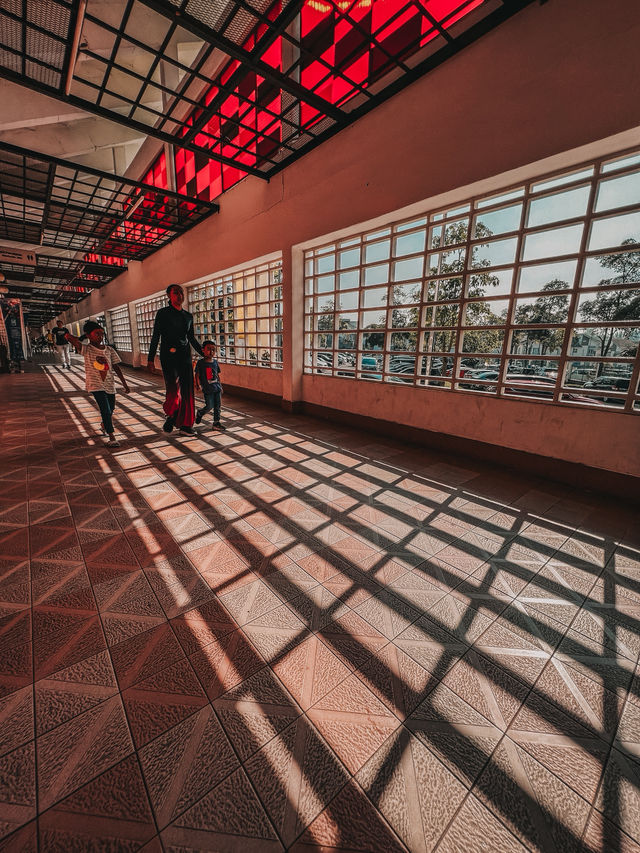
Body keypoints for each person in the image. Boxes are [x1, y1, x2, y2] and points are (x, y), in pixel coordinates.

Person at [147, 283, 203, 437]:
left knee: (187, 391)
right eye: (176, 293)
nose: (180, 295)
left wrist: (203, 352)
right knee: (172, 390)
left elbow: (191, 338)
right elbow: (155, 336)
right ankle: (171, 414)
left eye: (181, 292)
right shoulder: (163, 313)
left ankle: (186, 425)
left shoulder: (188, 316)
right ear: (169, 296)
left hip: (185, 356)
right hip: (168, 356)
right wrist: (150, 358)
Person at [65, 321, 130, 448]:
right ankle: (111, 436)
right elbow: (68, 337)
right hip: (95, 385)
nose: (100, 337)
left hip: (109, 384)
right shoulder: (86, 349)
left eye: (102, 334)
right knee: (105, 410)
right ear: (88, 335)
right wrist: (84, 337)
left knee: (110, 410)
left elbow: (116, 367)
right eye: (97, 334)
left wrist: (125, 384)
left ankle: (104, 425)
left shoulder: (109, 350)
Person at [194, 340, 226, 430]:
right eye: (208, 349)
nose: (211, 352)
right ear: (203, 350)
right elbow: (197, 374)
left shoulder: (215, 362)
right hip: (208, 389)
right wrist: (197, 384)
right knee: (209, 406)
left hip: (217, 388)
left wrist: (220, 386)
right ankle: (200, 413)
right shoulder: (201, 363)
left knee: (217, 406)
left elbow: (217, 375)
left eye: (213, 350)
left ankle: (216, 423)